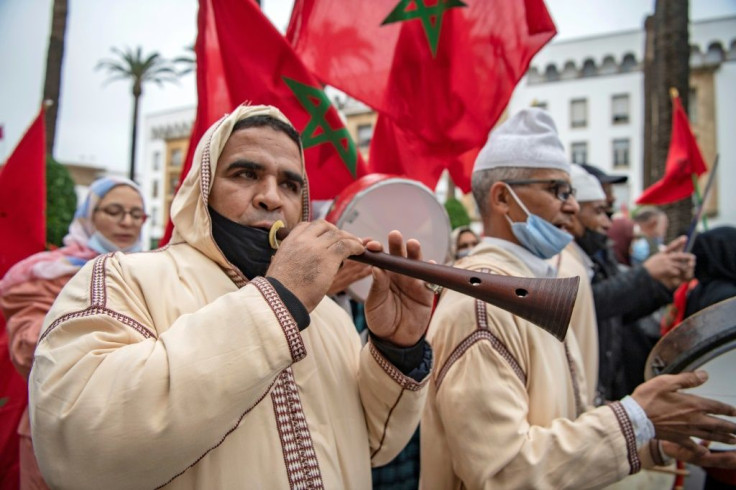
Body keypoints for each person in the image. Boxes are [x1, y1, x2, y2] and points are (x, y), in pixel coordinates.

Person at [27, 104, 434, 489]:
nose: (272, 197)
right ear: (201, 190)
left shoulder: (326, 314)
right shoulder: (121, 279)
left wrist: (397, 350)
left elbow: (374, 446)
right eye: (245, 174)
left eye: (290, 184)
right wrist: (278, 303)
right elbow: (79, 449)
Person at [420, 108, 736, 489]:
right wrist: (635, 418)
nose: (571, 206)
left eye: (569, 191)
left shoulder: (532, 284)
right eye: (558, 190)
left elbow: (561, 423)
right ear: (503, 198)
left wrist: (655, 443)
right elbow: (503, 472)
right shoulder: (483, 302)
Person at [0, 176, 147, 489]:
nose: (127, 222)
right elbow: (29, 350)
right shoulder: (45, 273)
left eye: (137, 214)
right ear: (88, 216)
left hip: (131, 434)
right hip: (58, 429)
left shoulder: (152, 271)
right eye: (114, 211)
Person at [564, 164, 695, 402]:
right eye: (600, 211)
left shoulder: (598, 256)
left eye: (609, 212)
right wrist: (645, 275)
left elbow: (618, 312)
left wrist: (663, 284)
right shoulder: (560, 259)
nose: (607, 223)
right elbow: (585, 303)